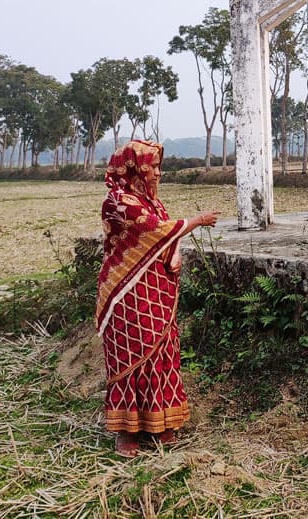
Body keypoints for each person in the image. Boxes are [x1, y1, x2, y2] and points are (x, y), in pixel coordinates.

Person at [95, 140, 218, 457]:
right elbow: (157, 229)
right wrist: (196, 221)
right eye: (154, 168)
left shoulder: (153, 202)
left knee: (161, 353)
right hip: (126, 296)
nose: (158, 175)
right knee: (130, 358)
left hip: (157, 291)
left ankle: (161, 424)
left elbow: (165, 238)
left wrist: (174, 253)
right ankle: (127, 432)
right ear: (136, 169)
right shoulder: (119, 203)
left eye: (160, 168)